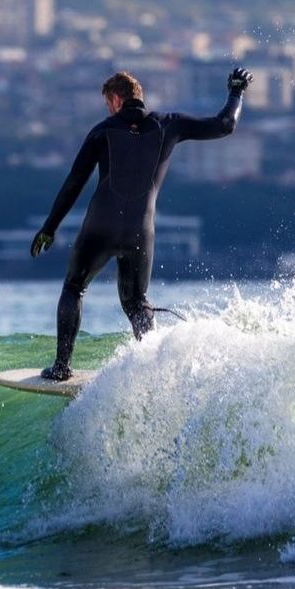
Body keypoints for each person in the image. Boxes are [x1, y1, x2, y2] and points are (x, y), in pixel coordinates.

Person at [30, 67, 253, 380]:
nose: (109, 109)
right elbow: (224, 125)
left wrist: (50, 227)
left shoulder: (101, 131)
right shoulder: (169, 125)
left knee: (74, 287)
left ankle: (61, 367)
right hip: (140, 231)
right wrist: (236, 92)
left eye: (109, 103)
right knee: (137, 303)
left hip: (99, 227)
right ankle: (152, 375)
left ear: (117, 99)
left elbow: (74, 183)